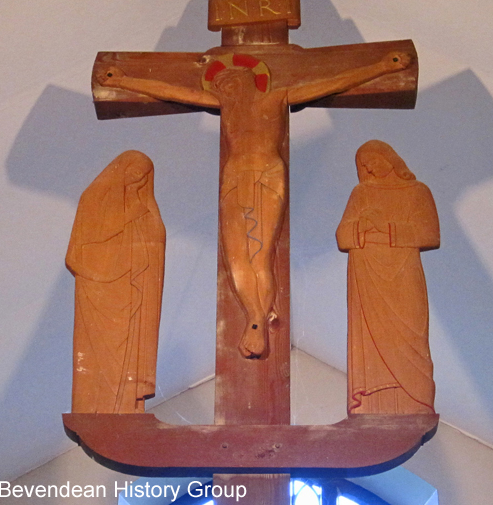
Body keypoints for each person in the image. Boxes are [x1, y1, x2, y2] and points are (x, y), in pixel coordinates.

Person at [99, 52, 411, 358]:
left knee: (260, 255)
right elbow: (176, 91)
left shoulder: (276, 98)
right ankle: (256, 315)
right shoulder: (226, 105)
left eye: (228, 82)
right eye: (219, 86)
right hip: (234, 178)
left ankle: (256, 321)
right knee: (236, 257)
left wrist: (381, 65)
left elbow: (332, 83)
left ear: (247, 79)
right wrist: (127, 81)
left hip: (266, 175)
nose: (222, 89)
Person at [336, 140, 439, 414]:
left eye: (373, 160)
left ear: (390, 158)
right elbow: (343, 235)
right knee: (372, 337)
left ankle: (416, 399)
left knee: (411, 331)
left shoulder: (417, 192)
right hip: (368, 272)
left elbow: (429, 233)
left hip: (404, 271)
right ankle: (372, 400)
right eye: (364, 165)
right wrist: (361, 225)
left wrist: (386, 227)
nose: (369, 168)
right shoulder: (361, 193)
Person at [66, 150, 165, 413]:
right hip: (99, 289)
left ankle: (126, 404)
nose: (137, 180)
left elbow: (154, 241)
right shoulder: (93, 198)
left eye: (143, 177)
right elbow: (82, 250)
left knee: (127, 348)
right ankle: (96, 406)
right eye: (133, 173)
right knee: (99, 352)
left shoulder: (143, 206)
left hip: (129, 290)